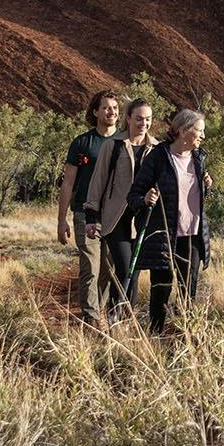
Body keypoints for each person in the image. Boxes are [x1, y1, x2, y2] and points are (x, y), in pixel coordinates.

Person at [126, 108, 213, 334]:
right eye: (199, 131)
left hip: (193, 235)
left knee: (188, 292)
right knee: (161, 290)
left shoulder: (200, 158)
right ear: (184, 131)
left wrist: (207, 186)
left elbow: (193, 196)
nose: (203, 136)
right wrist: (145, 198)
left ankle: (186, 338)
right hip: (164, 236)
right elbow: (134, 195)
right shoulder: (158, 157)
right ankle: (155, 337)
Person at [83, 97, 158, 324]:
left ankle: (123, 321)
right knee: (125, 268)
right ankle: (117, 317)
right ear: (128, 118)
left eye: (147, 119)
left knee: (133, 272)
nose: (143, 124)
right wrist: (90, 216)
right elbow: (98, 182)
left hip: (143, 218)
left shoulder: (157, 148)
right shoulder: (113, 145)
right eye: (138, 119)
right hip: (116, 218)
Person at [58, 90, 120, 324]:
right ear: (95, 112)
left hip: (115, 216)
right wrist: (61, 219)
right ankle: (92, 320)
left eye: (114, 107)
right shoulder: (82, 143)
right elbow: (68, 183)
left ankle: (99, 312)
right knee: (90, 267)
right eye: (106, 107)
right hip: (86, 214)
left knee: (108, 269)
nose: (111, 111)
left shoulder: (124, 142)